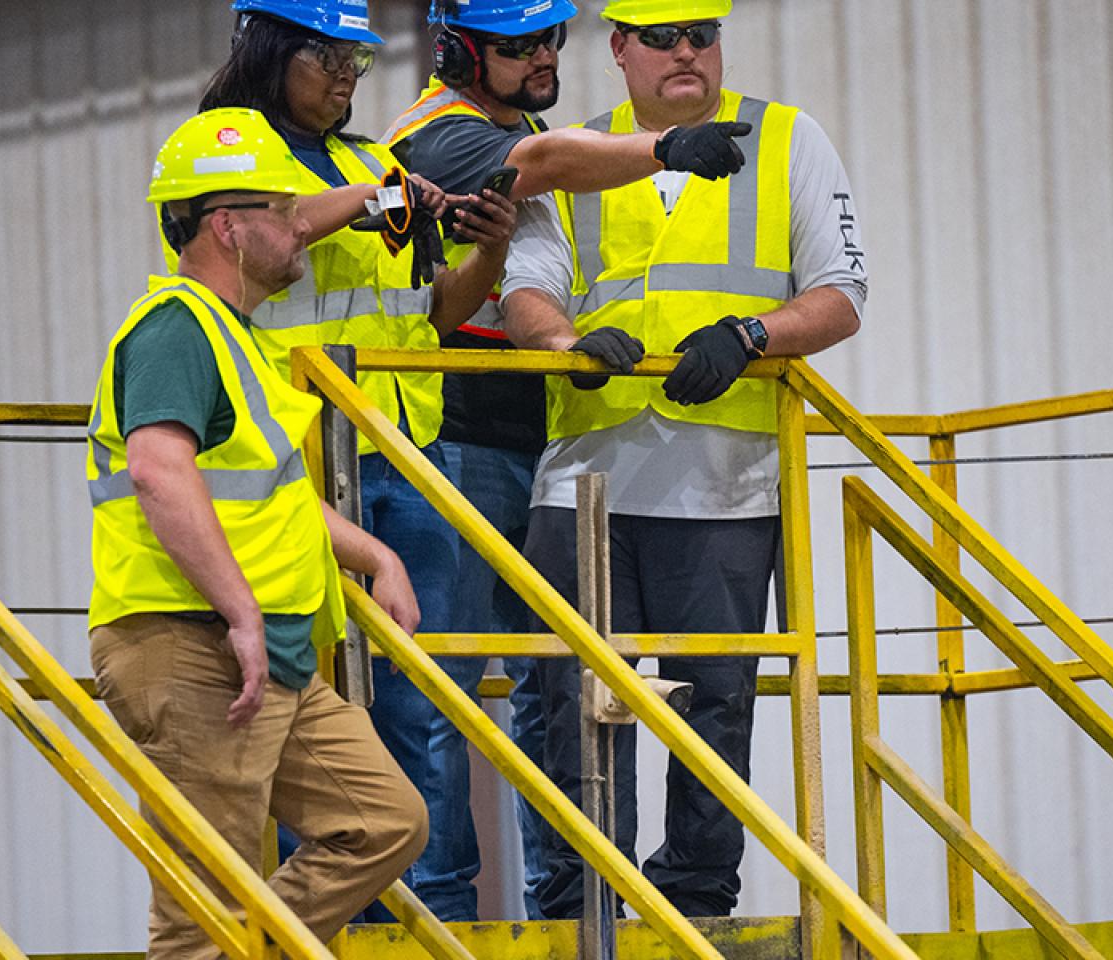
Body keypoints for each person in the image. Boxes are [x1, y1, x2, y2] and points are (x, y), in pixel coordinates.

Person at [384, 0, 755, 920]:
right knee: (443, 685)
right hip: (453, 437)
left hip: (545, 444)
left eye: (552, 38)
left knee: (561, 688)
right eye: (517, 46)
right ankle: (437, 914)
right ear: (460, 51)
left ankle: (574, 901)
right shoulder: (435, 136)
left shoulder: (534, 127)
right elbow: (543, 170)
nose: (544, 56)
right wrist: (665, 149)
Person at [500, 0, 868, 920]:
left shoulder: (786, 138)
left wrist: (752, 333)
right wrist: (566, 347)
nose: (685, 54)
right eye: (661, 38)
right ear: (619, 47)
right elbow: (526, 293)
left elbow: (842, 292)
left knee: (717, 704)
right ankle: (583, 900)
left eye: (701, 33)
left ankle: (697, 901)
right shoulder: (574, 152)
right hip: (585, 480)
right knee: (576, 702)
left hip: (728, 483)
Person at [195, 0, 517, 921]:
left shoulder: (375, 161)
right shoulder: (226, 150)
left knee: (425, 696)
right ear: (269, 47)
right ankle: (328, 919)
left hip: (402, 457)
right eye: (326, 58)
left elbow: (433, 315)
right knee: (313, 707)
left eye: (356, 61)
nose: (344, 77)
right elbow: (281, 228)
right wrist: (380, 201)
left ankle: (441, 910)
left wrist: (489, 249)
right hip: (289, 470)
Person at [86, 107, 428, 960]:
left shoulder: (240, 341)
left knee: (383, 821)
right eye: (281, 211)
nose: (299, 226)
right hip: (195, 640)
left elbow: (268, 494)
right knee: (204, 901)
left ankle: (248, 950)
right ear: (228, 228)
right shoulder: (175, 327)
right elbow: (160, 472)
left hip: (267, 645)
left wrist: (375, 555)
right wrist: (239, 613)